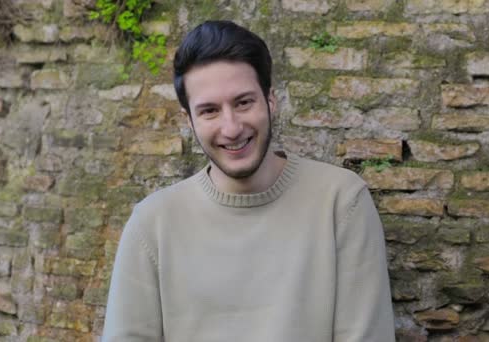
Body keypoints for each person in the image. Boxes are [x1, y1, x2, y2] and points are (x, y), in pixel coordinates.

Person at [102, 20, 395, 342]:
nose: (231, 128)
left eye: (243, 103)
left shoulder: (340, 202)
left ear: (270, 101)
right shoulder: (153, 224)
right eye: (210, 111)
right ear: (189, 120)